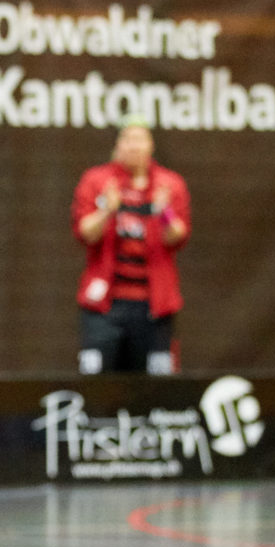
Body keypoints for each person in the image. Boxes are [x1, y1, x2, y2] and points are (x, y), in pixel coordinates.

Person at [71, 115, 191, 375]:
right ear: (118, 145)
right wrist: (107, 209)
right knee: (96, 380)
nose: (134, 146)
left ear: (151, 145)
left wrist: (165, 213)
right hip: (105, 306)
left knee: (154, 388)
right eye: (128, 139)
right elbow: (85, 233)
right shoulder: (97, 181)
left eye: (140, 139)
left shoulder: (170, 185)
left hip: (154, 306)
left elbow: (179, 236)